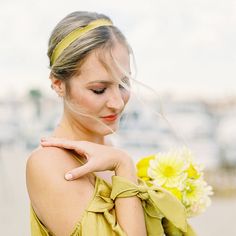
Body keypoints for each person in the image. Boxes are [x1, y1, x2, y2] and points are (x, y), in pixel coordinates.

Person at [26, 11, 196, 236]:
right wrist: (124, 164)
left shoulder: (109, 150)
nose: (117, 103)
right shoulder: (48, 164)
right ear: (58, 84)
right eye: (99, 89)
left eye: (123, 84)